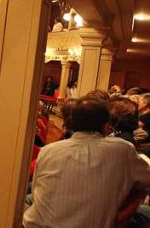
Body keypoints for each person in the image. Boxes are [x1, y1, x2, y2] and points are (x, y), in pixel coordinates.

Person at [23, 97, 150, 228]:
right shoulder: (123, 149)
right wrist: (133, 202)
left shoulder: (48, 151)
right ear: (107, 126)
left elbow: (36, 190)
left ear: (71, 122)